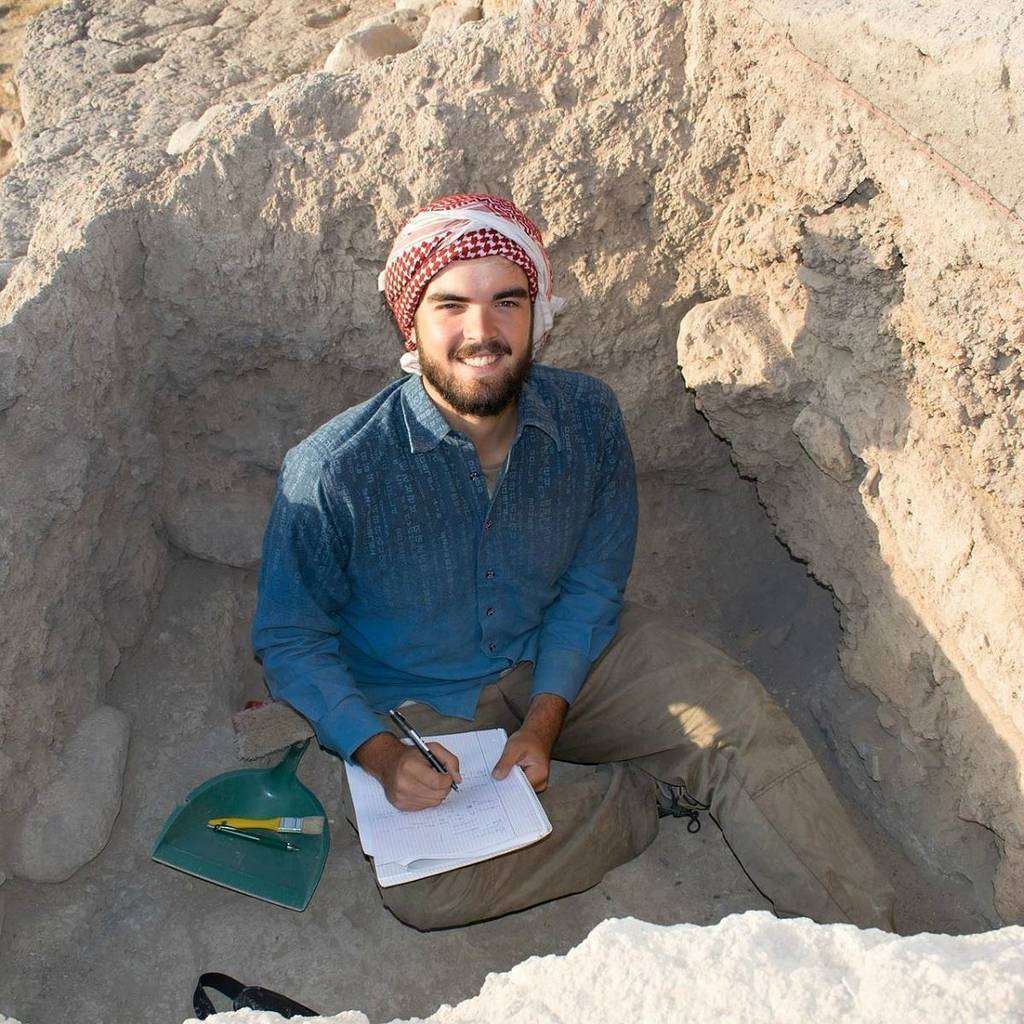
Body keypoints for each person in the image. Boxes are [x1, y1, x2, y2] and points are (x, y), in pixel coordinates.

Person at [251, 193, 896, 931]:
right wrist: (377, 753)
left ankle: (879, 948)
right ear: (411, 323)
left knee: (734, 719)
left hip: (563, 650)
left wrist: (546, 718)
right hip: (420, 698)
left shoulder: (588, 418)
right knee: (425, 890)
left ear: (537, 316)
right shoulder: (333, 471)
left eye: (507, 301)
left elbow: (592, 584)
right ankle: (638, 795)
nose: (481, 332)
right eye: (450, 305)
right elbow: (290, 638)